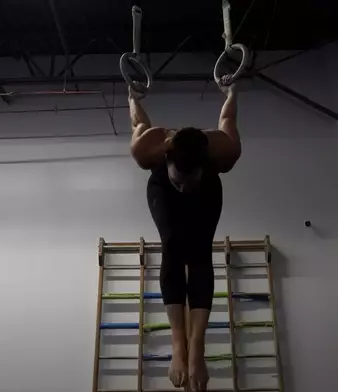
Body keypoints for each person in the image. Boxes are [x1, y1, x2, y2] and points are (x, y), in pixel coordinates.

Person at [128, 77, 241, 392]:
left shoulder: (224, 150)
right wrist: (132, 96)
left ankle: (197, 348)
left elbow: (228, 118)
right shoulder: (148, 147)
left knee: (201, 250)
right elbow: (138, 120)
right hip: (160, 190)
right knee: (173, 247)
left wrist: (231, 92)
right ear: (166, 157)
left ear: (205, 165)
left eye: (187, 182)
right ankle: (179, 345)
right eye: (180, 181)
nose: (184, 189)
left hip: (208, 189)